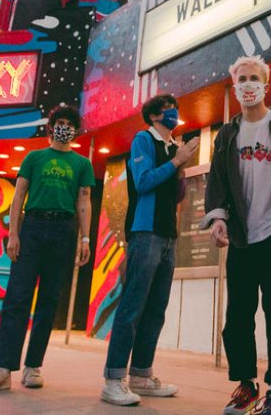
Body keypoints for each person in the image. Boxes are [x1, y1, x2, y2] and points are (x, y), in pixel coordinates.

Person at [203, 55, 271, 415]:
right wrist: (218, 218)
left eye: (255, 78)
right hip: (241, 238)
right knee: (238, 315)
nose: (248, 84)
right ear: (234, 88)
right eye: (242, 79)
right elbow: (217, 182)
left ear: (265, 86)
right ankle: (247, 385)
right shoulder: (227, 134)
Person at [0, 104, 94, 395]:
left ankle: (33, 366)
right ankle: (2, 369)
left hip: (64, 230)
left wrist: (85, 239)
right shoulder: (34, 157)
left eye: (69, 124)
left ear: (75, 130)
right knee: (17, 297)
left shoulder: (82, 164)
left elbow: (84, 202)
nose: (65, 127)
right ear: (52, 127)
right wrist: (13, 234)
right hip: (33, 227)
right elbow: (19, 196)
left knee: (49, 302)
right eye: (60, 122)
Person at [101, 94, 200, 406]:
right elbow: (143, 182)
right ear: (156, 115)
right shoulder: (143, 140)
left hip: (168, 235)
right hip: (145, 232)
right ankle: (114, 379)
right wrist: (176, 161)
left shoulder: (174, 147)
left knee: (156, 308)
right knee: (132, 307)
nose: (176, 113)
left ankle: (141, 375)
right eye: (171, 109)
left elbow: (177, 192)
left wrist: (180, 163)